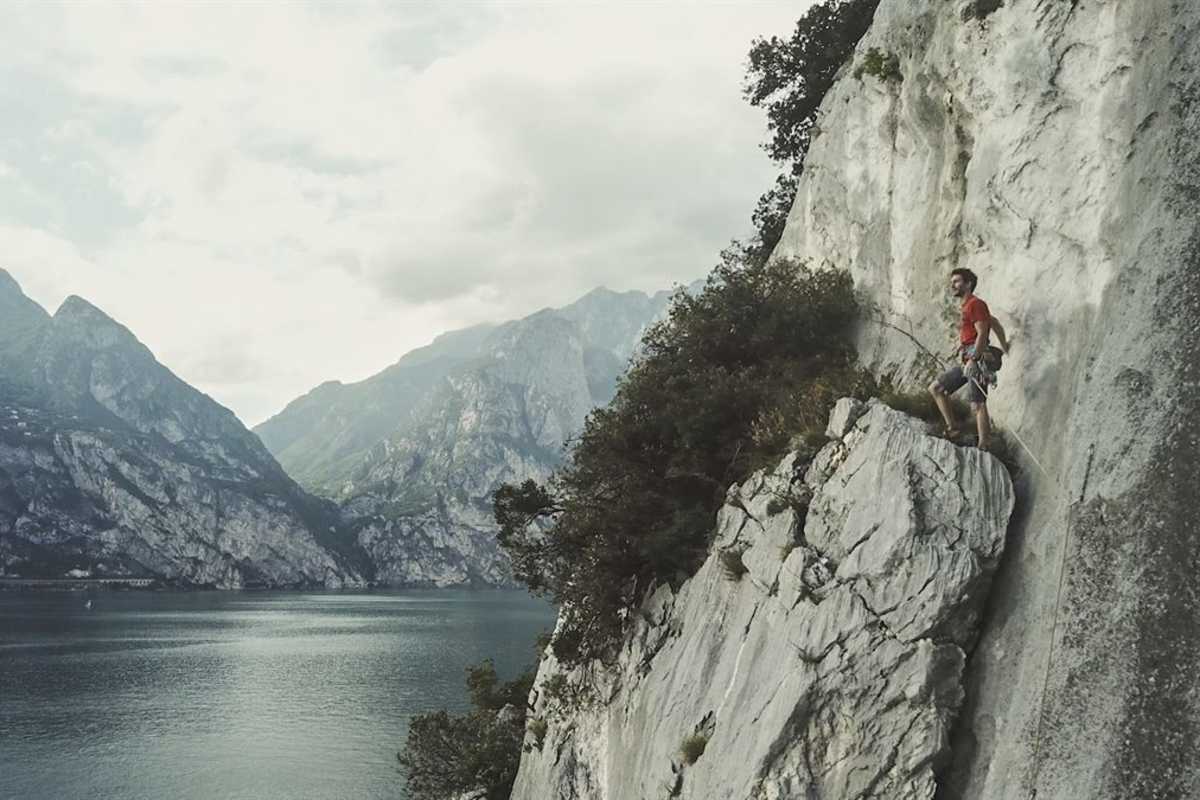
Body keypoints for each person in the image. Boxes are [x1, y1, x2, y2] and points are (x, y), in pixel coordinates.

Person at [928, 267, 1001, 450]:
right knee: (937, 388)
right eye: (952, 282)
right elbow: (984, 328)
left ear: (968, 284)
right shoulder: (967, 306)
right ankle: (953, 429)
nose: (952, 285)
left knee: (977, 403)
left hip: (977, 359)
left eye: (957, 281)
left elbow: (982, 333)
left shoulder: (975, 304)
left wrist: (973, 360)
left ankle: (984, 444)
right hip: (969, 357)